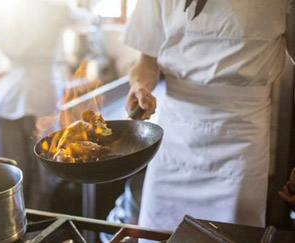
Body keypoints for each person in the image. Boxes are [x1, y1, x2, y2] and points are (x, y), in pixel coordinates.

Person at [122, 0, 295, 233]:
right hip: (174, 134)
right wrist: (139, 85)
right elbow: (146, 60)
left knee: (232, 234)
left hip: (241, 138)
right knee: (160, 233)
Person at [0, 0, 73, 210]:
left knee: (8, 168)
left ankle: (7, 220)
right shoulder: (56, 9)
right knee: (43, 167)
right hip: (43, 92)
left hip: (9, 93)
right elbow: (85, 22)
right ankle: (39, 222)